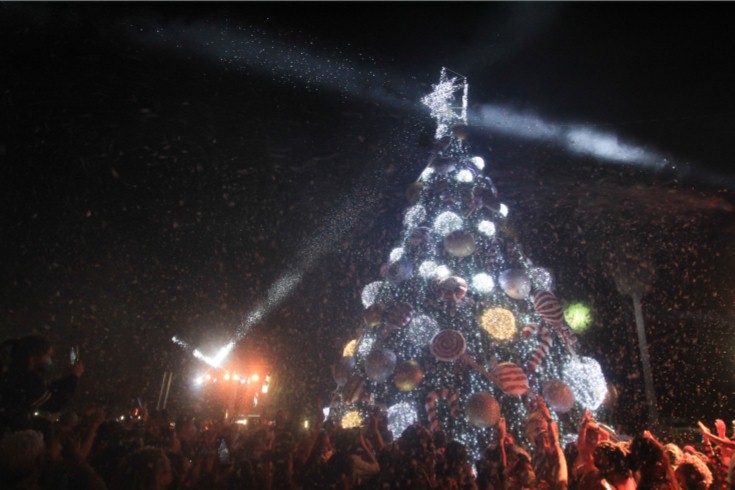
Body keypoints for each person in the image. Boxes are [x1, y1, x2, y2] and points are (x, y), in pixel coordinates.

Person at [0, 334, 85, 438]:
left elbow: (45, 393)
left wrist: (64, 379)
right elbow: (54, 404)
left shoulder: (13, 372)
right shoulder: (27, 378)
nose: (49, 360)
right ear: (32, 358)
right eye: (48, 356)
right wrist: (73, 377)